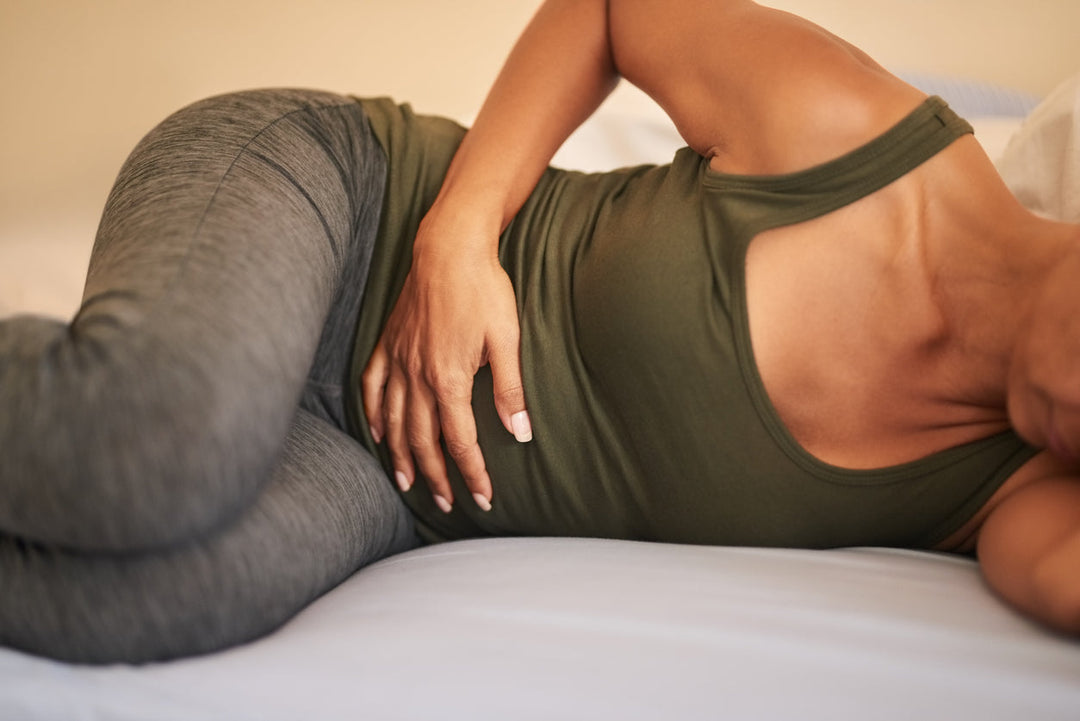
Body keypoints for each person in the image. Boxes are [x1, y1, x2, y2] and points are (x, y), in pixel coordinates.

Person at [1, 0, 1078, 663]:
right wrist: (457, 237)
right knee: (167, 438)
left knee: (148, 601)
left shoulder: (1021, 485)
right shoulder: (873, 146)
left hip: (387, 472)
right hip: (351, 211)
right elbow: (610, 10)